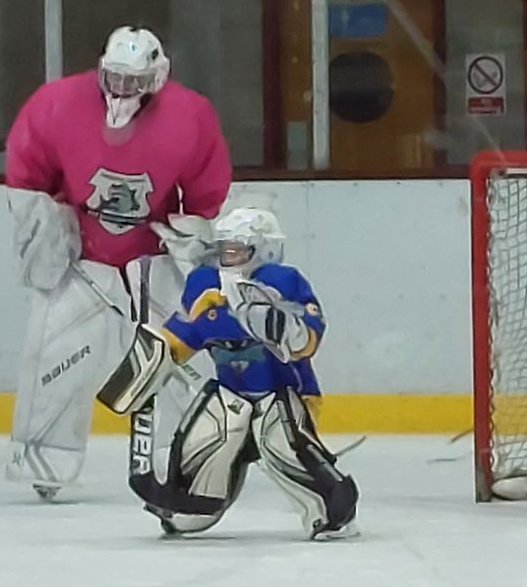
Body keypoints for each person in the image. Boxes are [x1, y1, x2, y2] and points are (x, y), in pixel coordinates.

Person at [5, 25, 232, 499]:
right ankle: (47, 459)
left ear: (158, 75)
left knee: (174, 356)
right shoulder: (57, 103)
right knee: (54, 352)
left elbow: (207, 186)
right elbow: (27, 171)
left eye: (134, 81)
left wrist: (193, 229)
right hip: (81, 253)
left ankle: (186, 452)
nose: (121, 91)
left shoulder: (191, 114)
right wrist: (46, 222)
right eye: (114, 78)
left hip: (153, 252)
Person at [97, 207, 359, 540]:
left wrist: (281, 325)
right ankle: (191, 504)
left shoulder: (283, 282)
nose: (228, 257)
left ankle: (332, 507)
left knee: (279, 439)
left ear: (263, 249)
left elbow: (308, 338)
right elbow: (179, 338)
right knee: (208, 437)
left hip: (283, 391)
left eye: (237, 250)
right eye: (224, 249)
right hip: (231, 391)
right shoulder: (206, 286)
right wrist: (144, 370)